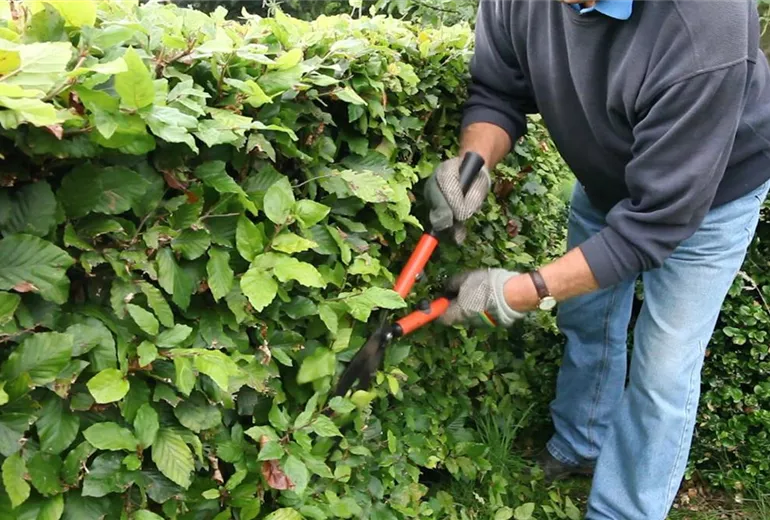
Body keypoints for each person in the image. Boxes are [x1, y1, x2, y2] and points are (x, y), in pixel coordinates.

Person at [424, 0, 770, 518]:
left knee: (664, 364)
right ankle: (582, 441)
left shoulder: (705, 21)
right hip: (610, 169)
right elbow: (499, 89)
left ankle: (622, 510)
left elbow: (654, 225)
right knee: (586, 310)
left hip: (711, 190)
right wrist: (472, 166)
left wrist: (518, 291)